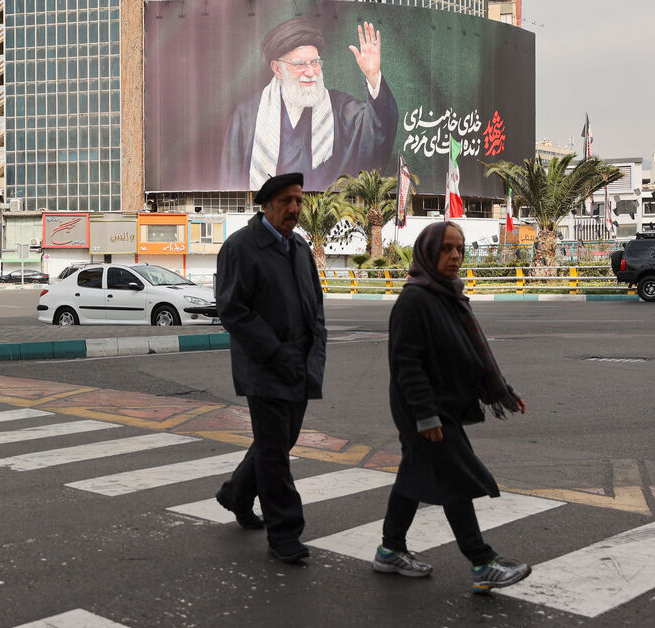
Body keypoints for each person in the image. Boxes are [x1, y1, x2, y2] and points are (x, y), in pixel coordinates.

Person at [373, 221, 531, 593]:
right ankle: (482, 561)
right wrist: (425, 415)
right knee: (454, 477)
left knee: (414, 474)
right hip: (425, 409)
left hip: (442, 405)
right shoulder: (415, 300)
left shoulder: (447, 295)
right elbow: (407, 365)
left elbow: (470, 353)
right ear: (428, 253)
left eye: (459, 248)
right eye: (446, 248)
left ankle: (390, 549)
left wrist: (502, 391)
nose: (455, 256)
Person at [213, 172, 327, 564]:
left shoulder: (300, 247)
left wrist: (315, 350)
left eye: (299, 200)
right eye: (285, 201)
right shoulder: (240, 247)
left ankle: (237, 493)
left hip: (300, 365)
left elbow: (315, 305)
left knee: (277, 441)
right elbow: (232, 309)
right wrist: (276, 352)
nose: (294, 208)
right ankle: (285, 533)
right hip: (264, 367)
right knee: (275, 452)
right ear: (266, 206)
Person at [220, 19, 398, 192]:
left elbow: (377, 126)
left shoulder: (340, 108)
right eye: (300, 64)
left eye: (315, 62)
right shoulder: (247, 117)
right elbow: (231, 183)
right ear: (277, 69)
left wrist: (373, 76)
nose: (311, 72)